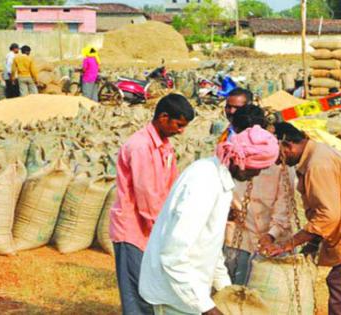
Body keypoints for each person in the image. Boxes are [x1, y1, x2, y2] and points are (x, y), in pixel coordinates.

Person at [139, 126, 280, 315]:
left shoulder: (219, 179)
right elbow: (173, 255)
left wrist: (226, 289)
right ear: (242, 160)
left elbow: (210, 245)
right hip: (175, 294)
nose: (256, 175)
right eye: (258, 168)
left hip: (191, 292)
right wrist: (207, 307)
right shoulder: (203, 182)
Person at [268, 122, 341, 315]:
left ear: (288, 145)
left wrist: (289, 244)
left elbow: (328, 215)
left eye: (277, 156)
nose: (277, 162)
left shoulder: (317, 165)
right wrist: (311, 244)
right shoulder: (318, 152)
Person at [110, 93, 195, 315]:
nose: (181, 130)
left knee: (151, 292)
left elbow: (171, 186)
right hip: (134, 231)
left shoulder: (164, 146)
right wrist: (166, 230)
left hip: (153, 230)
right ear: (163, 117)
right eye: (178, 124)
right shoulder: (140, 146)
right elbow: (146, 195)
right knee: (137, 296)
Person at [223, 105, 294, 285]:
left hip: (273, 241)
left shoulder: (277, 157)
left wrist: (272, 234)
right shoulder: (229, 154)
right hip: (238, 239)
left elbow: (285, 203)